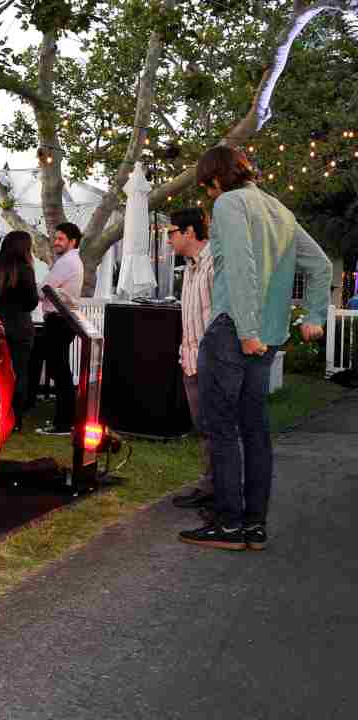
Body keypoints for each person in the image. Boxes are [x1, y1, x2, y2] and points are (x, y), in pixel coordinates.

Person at [179, 146, 330, 552]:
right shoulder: (279, 210)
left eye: (206, 187)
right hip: (268, 336)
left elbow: (243, 267)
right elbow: (320, 266)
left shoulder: (230, 203)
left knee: (221, 428)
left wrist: (245, 329)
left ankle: (228, 526)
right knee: (256, 431)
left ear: (215, 178)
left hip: (235, 331)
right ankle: (254, 527)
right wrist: (314, 314)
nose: (209, 196)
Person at [166, 208, 217, 510]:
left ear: (188, 232)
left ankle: (223, 492)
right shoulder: (188, 267)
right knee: (204, 428)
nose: (169, 239)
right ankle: (210, 485)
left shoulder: (214, 264)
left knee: (218, 429)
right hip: (191, 360)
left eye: (172, 232)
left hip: (212, 361)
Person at [0, 231, 40, 431]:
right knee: (19, 374)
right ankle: (14, 420)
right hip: (19, 328)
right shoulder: (25, 269)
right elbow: (31, 302)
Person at [35, 222, 85, 435]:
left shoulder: (67, 261)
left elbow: (44, 289)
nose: (56, 242)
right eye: (55, 238)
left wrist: (32, 287)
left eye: (61, 238)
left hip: (59, 320)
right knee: (60, 370)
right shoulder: (70, 260)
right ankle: (65, 421)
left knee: (60, 371)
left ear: (72, 241)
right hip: (63, 320)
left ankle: (64, 423)